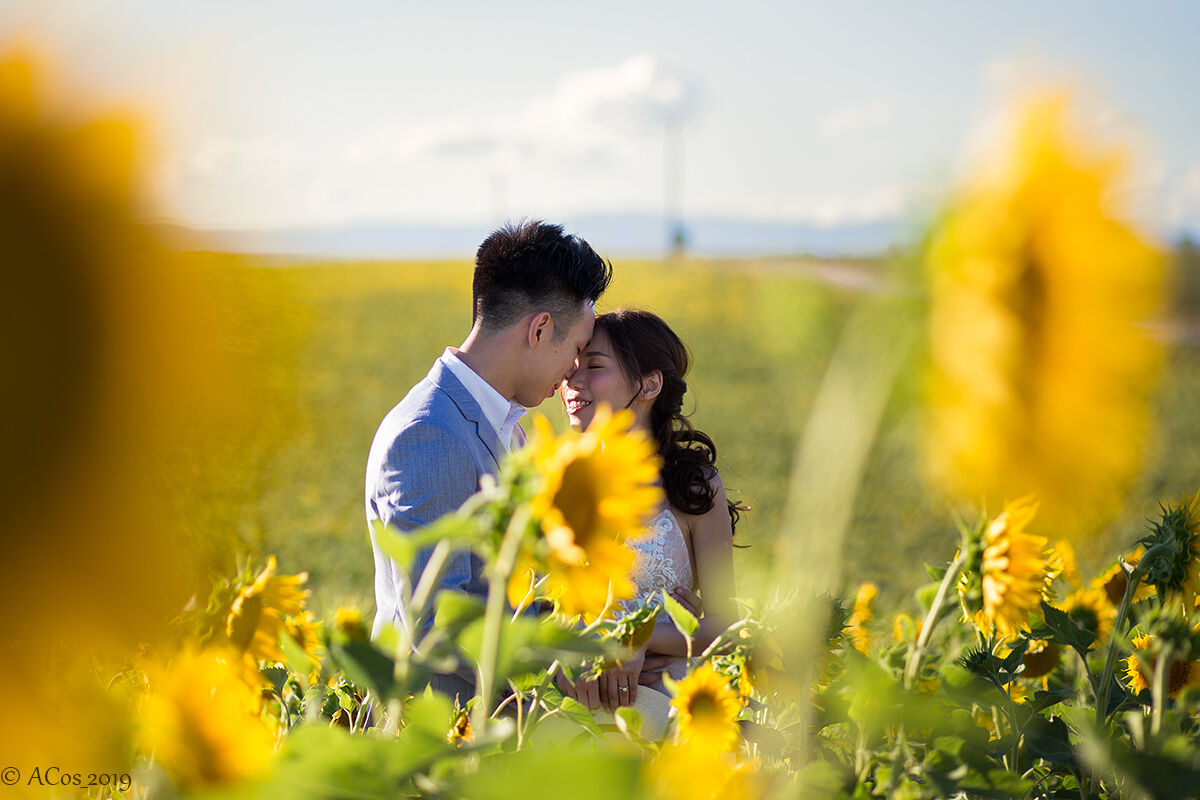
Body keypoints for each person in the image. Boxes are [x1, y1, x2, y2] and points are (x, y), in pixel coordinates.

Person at [365, 220, 612, 703]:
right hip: (437, 740)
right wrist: (571, 656)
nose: (573, 372)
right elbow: (437, 622)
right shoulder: (427, 433)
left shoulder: (507, 425)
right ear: (540, 329)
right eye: (578, 349)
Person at [557, 308, 740, 716]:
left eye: (594, 365)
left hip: (670, 705)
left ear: (649, 384)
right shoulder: (558, 480)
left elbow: (726, 627)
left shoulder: (693, 487)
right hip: (573, 704)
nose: (572, 380)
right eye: (571, 365)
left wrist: (639, 640)